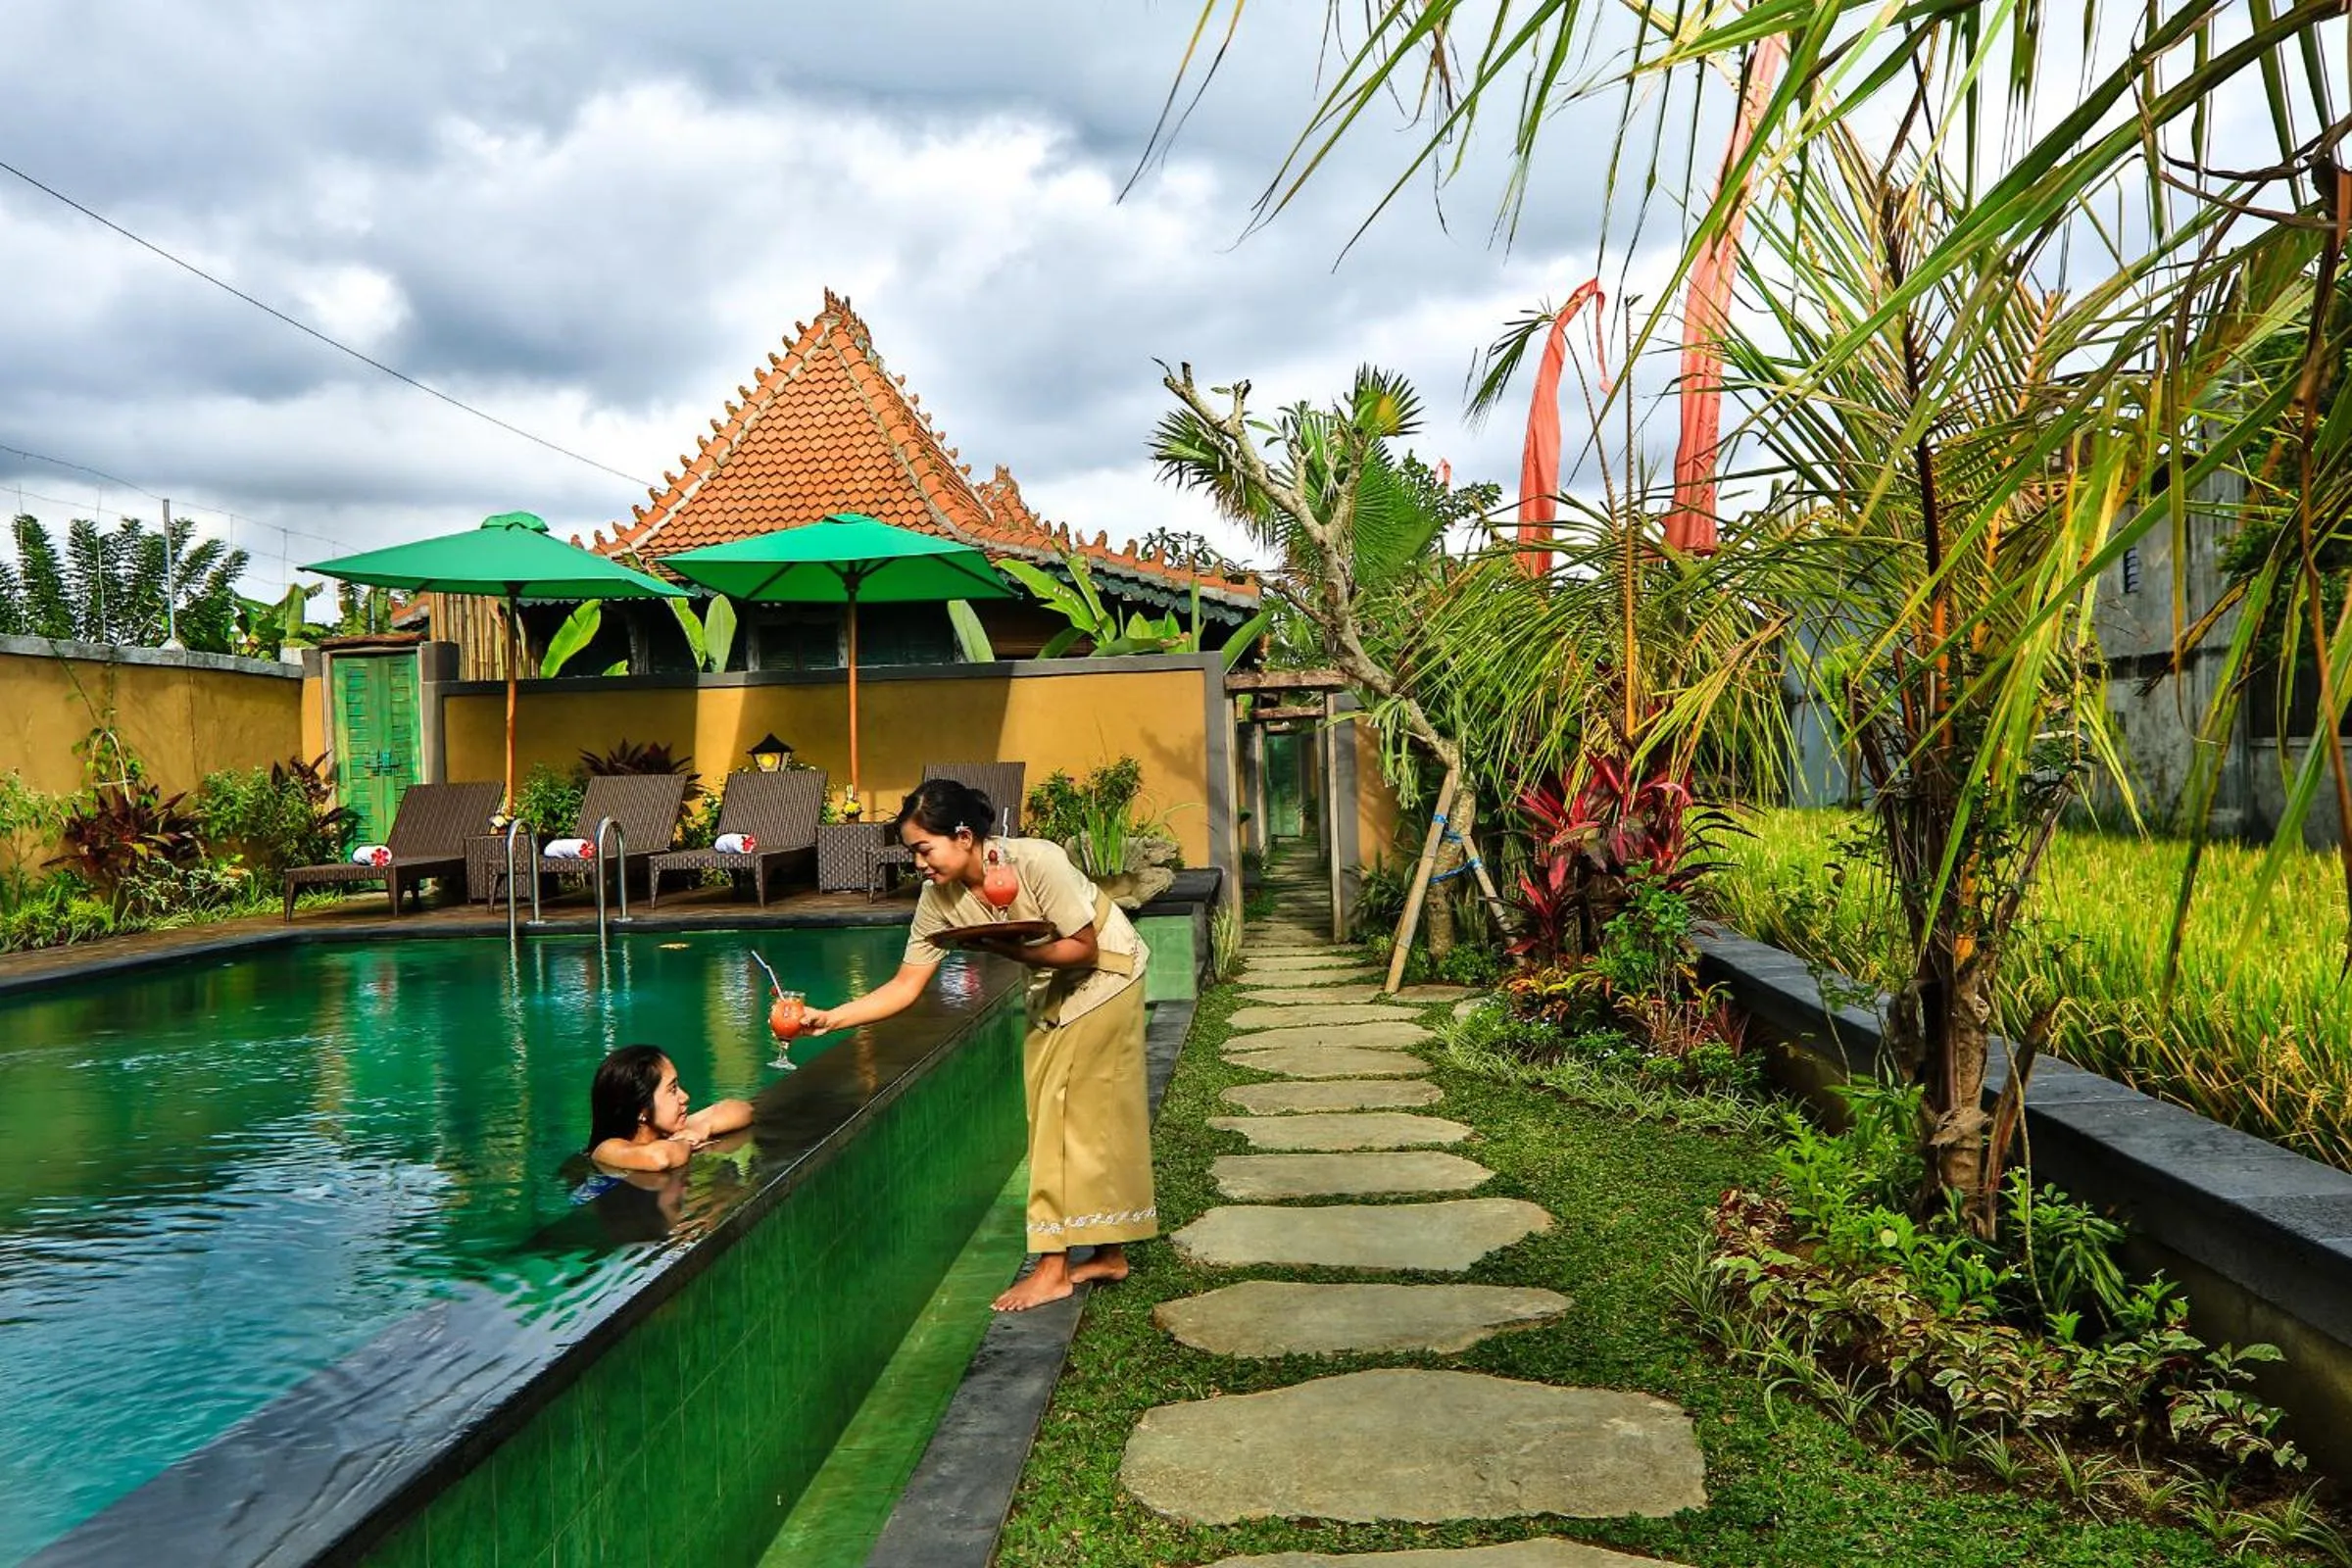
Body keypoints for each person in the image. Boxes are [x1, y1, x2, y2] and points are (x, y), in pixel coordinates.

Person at [802, 778, 1155, 1311]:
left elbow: (1082, 948)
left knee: (1059, 1118)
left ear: (964, 836)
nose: (919, 863)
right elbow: (904, 986)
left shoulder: (1037, 860)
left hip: (1106, 974)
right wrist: (830, 1019)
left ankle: (1053, 1267)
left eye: (925, 849)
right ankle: (1109, 1253)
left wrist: (1005, 952)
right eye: (913, 853)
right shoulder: (937, 901)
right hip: (1050, 990)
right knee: (1077, 1116)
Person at [585, 1044, 754, 1172]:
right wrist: (685, 1142)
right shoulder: (606, 1149)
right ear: (642, 1110)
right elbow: (660, 1158)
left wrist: (703, 1127)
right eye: (672, 1089)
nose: (685, 1097)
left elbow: (742, 1109)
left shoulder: (666, 1131)